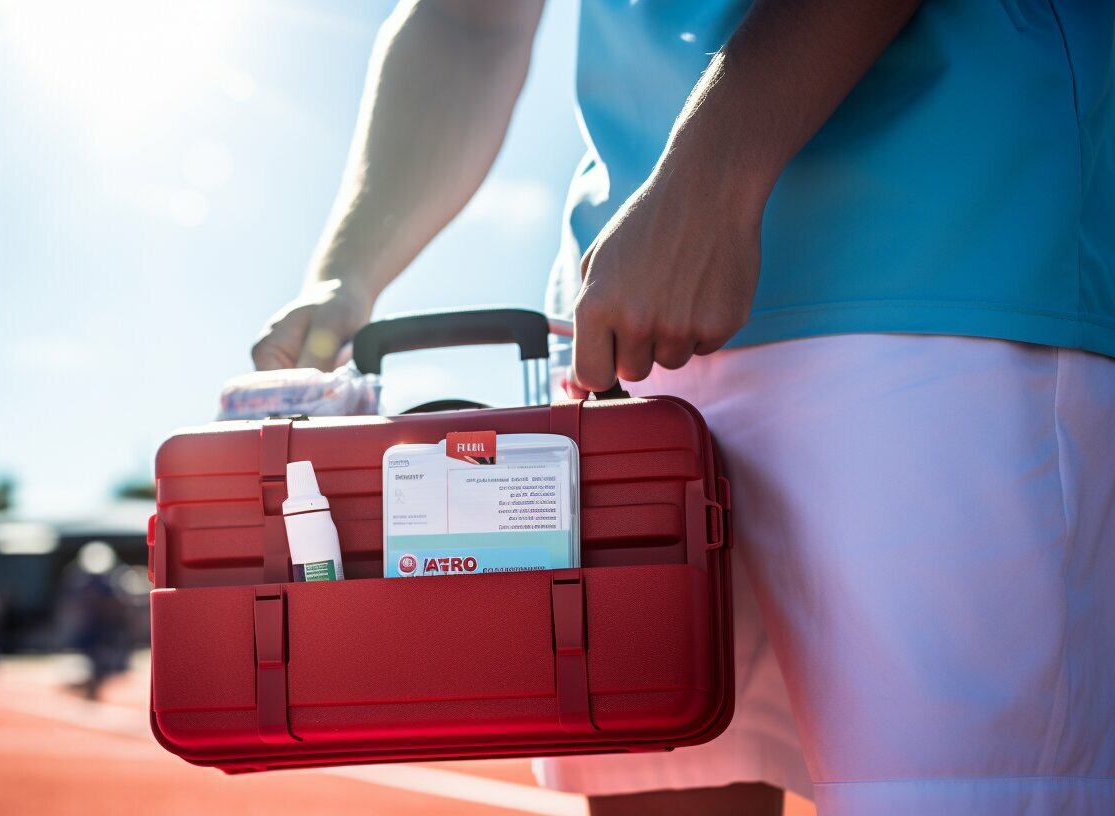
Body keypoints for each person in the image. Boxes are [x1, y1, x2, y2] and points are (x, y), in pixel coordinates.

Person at [251, 2, 1115, 814]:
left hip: (940, 271)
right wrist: (347, 270)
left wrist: (711, 175)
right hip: (624, 337)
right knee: (661, 770)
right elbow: (470, 19)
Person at [59, 541, 132, 701]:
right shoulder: (83, 581)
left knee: (101, 663)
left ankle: (93, 685)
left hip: (104, 629)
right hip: (91, 629)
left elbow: (117, 606)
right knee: (89, 660)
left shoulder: (110, 582)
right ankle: (90, 685)